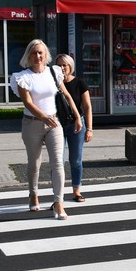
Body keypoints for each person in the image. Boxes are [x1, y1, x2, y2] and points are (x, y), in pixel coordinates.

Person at [9, 39, 81, 220]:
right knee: (34, 163)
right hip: (32, 123)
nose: (38, 56)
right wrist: (42, 116)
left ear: (45, 54)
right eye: (34, 53)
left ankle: (59, 202)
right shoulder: (22, 77)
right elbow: (27, 102)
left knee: (58, 163)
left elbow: (66, 95)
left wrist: (77, 117)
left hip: (54, 123)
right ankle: (33, 194)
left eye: (40, 52)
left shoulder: (53, 72)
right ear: (28, 55)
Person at [55, 54, 93, 202]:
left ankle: (76, 190)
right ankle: (58, 195)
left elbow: (87, 107)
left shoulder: (79, 83)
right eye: (59, 65)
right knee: (59, 161)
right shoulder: (53, 83)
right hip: (57, 125)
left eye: (65, 65)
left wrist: (89, 129)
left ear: (71, 66)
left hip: (77, 125)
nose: (62, 68)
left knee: (76, 160)